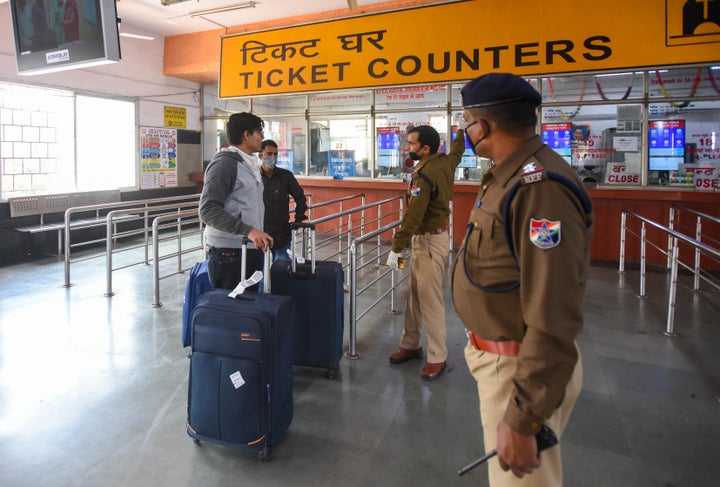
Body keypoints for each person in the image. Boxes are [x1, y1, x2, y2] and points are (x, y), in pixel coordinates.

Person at [451, 73, 593, 486]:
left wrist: (523, 417)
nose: (465, 129)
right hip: (502, 359)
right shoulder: (506, 176)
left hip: (518, 369)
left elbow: (553, 310)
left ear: (484, 126)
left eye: (466, 121)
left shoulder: (539, 188)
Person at [386, 125, 465, 381]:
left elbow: (413, 217)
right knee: (414, 296)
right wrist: (461, 131)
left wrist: (397, 246)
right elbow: (458, 151)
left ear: (426, 149)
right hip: (432, 240)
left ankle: (437, 356)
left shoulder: (424, 176)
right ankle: (411, 344)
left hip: (428, 243)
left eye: (410, 144)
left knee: (429, 301)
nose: (406, 147)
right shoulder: (445, 162)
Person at [199, 112, 273, 291]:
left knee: (246, 307)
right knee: (231, 310)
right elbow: (207, 210)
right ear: (246, 135)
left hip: (247, 248)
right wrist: (249, 231)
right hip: (229, 253)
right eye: (259, 132)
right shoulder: (225, 164)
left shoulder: (248, 163)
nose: (262, 137)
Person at [259, 139, 308, 261]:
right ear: (261, 156)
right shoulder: (253, 176)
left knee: (282, 269)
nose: (273, 157)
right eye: (269, 154)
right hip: (259, 233)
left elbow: (300, 196)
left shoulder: (286, 176)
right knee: (258, 272)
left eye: (275, 154)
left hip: (281, 234)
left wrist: (299, 218)